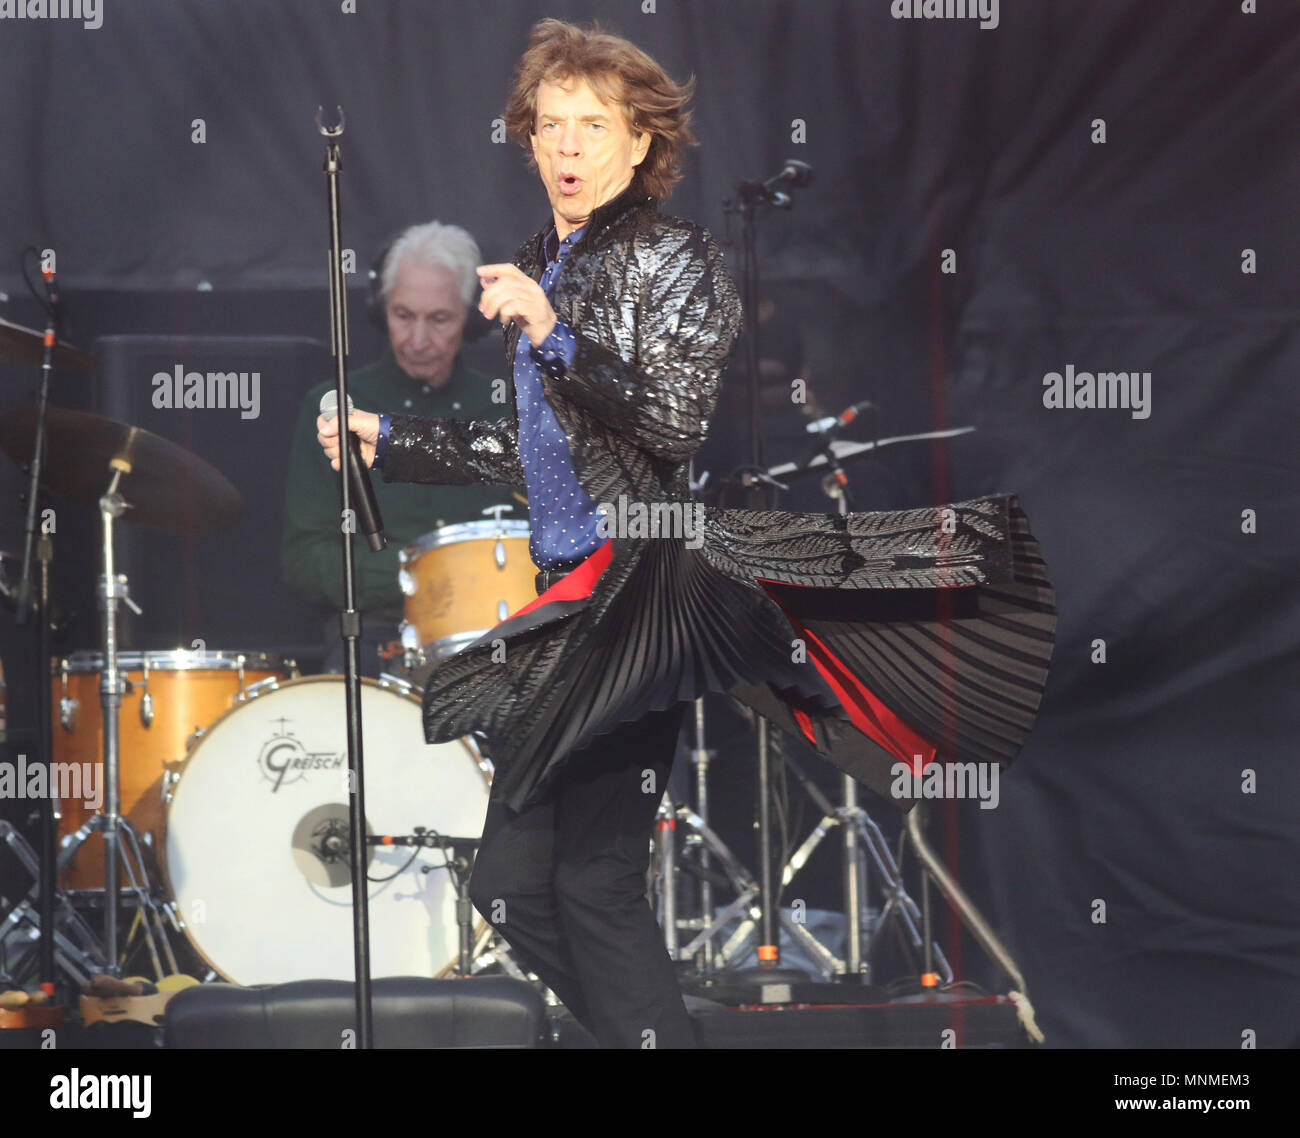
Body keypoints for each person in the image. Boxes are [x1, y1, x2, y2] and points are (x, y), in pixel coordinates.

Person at [317, 19, 1056, 1048]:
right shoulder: (547, 262)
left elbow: (667, 422)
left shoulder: (674, 258)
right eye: (550, 124)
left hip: (644, 593)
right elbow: (541, 450)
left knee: (591, 880)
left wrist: (552, 333)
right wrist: (386, 433)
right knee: (519, 884)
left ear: (637, 144)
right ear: (525, 140)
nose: (567, 145)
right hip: (577, 591)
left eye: (592, 125)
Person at [282, 221, 520, 675]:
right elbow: (304, 560)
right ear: (381, 310)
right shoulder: (334, 404)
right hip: (376, 637)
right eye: (403, 315)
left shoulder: (507, 405)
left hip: (495, 637)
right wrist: (421, 576)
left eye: (439, 319)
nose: (416, 339)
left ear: (470, 318)